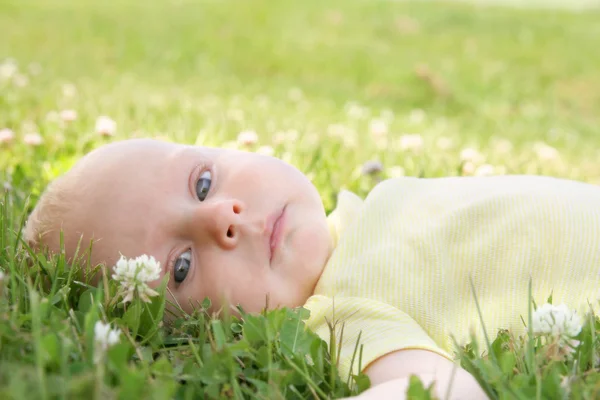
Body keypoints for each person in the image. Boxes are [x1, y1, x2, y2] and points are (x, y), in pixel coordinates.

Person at [24, 138, 600, 399]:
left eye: (202, 182)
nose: (220, 217)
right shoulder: (344, 313)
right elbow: (440, 391)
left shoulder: (362, 218)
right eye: (180, 267)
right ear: (209, 332)